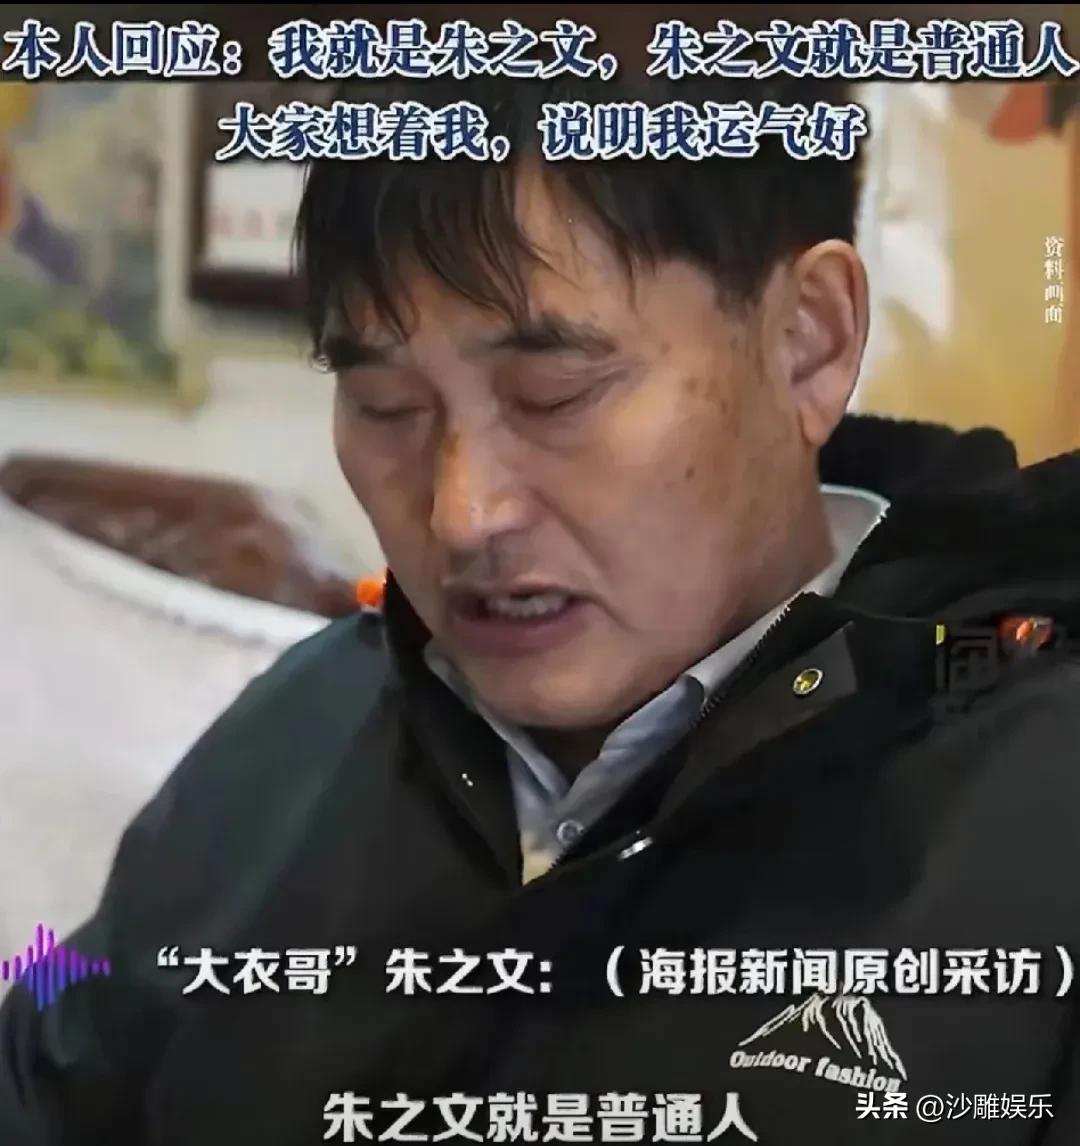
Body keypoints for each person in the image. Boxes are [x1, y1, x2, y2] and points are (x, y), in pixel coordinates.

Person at [2, 71, 1080, 1146]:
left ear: (808, 340)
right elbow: (49, 1063)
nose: (463, 514)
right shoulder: (296, 726)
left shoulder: (1037, 805)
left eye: (553, 396)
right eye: (386, 405)